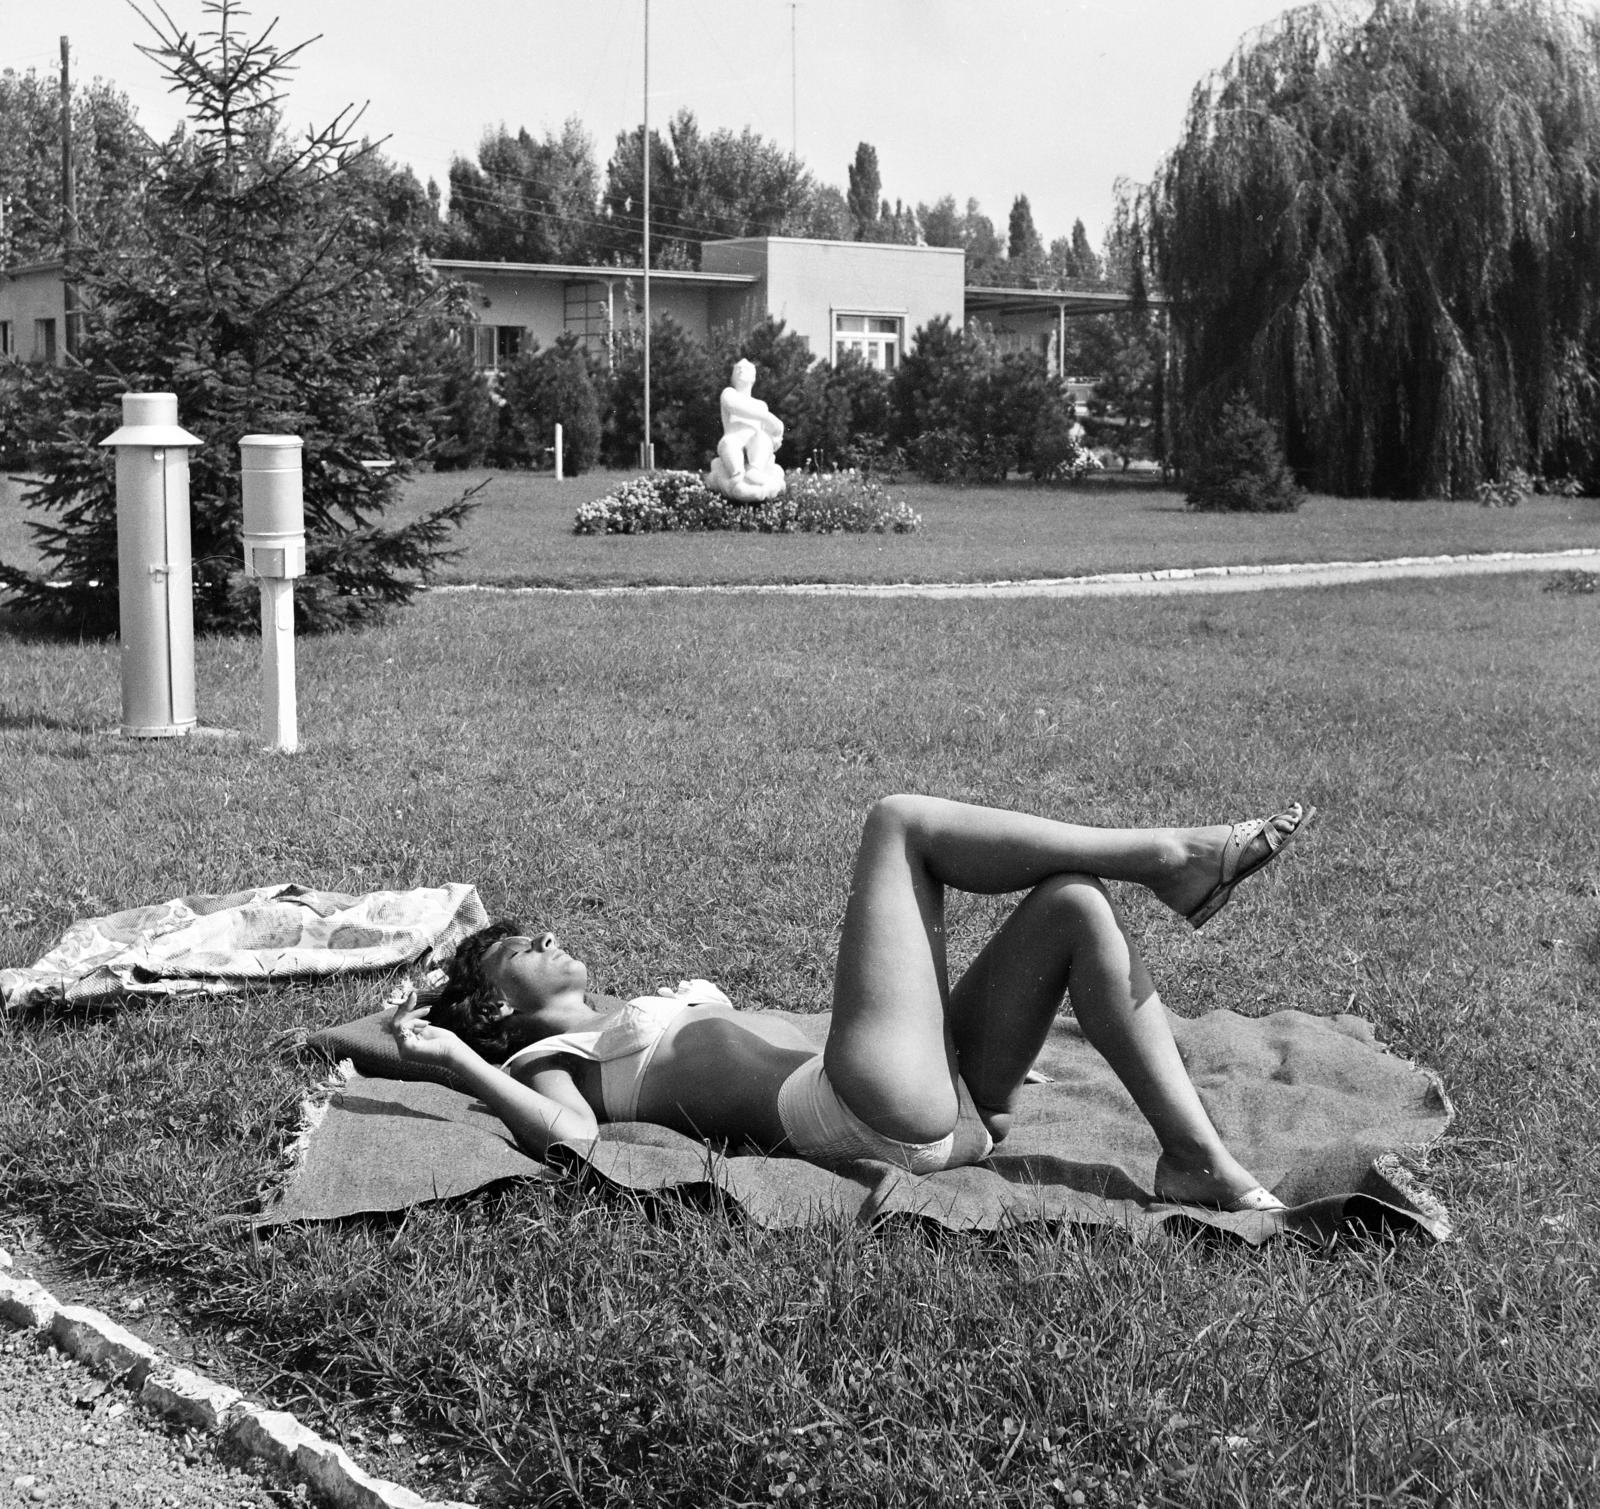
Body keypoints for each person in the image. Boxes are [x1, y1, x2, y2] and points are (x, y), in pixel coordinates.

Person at [390, 794, 1314, 1211]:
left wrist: (960, 1045)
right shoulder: (547, 1060)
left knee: (1073, 904)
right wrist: (455, 1058)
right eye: (521, 948)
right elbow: (571, 1139)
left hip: (944, 1094)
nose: (548, 937)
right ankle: (1167, 856)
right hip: (860, 1110)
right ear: (497, 1009)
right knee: (896, 821)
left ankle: (1195, 1159)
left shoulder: (617, 1012)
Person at [706, 358, 786, 502]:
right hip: (733, 440)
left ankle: (754, 470)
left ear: (753, 377)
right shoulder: (729, 393)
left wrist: (775, 438)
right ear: (732, 377)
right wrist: (771, 419)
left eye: (746, 369)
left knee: (762, 439)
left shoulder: (761, 405)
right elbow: (735, 406)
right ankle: (736, 474)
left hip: (754, 443)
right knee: (729, 443)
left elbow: (770, 432)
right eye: (737, 369)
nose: (741, 370)